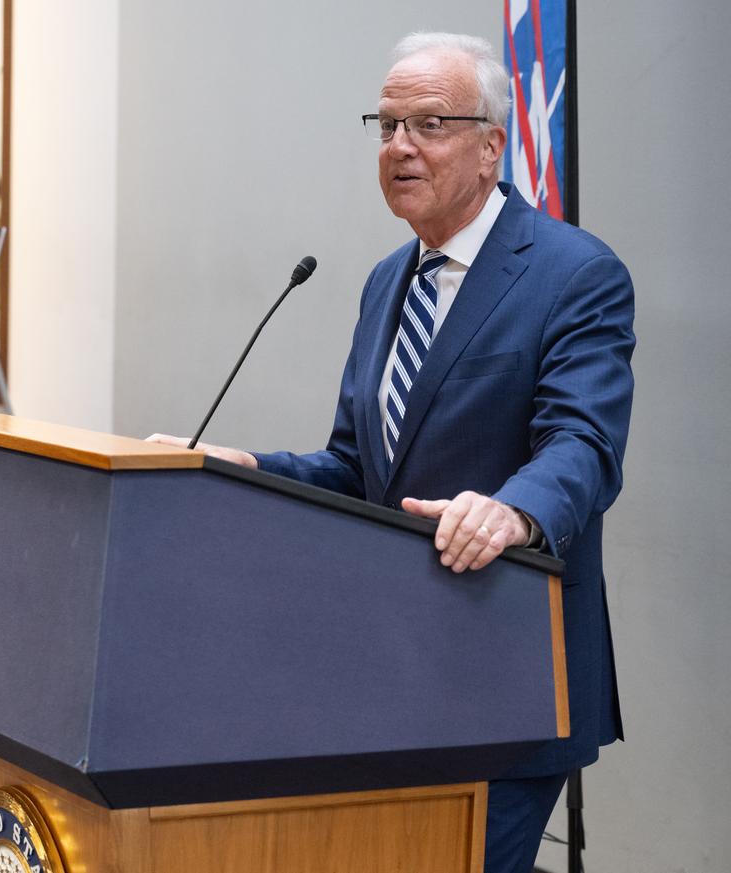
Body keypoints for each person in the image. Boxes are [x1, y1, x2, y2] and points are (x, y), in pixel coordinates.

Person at [151, 32, 634, 873]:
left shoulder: (574, 273)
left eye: (429, 124)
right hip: (389, 670)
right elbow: (356, 466)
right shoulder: (389, 280)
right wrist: (244, 473)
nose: (399, 146)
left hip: (510, 670)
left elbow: (582, 442)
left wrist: (513, 510)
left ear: (490, 147)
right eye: (386, 125)